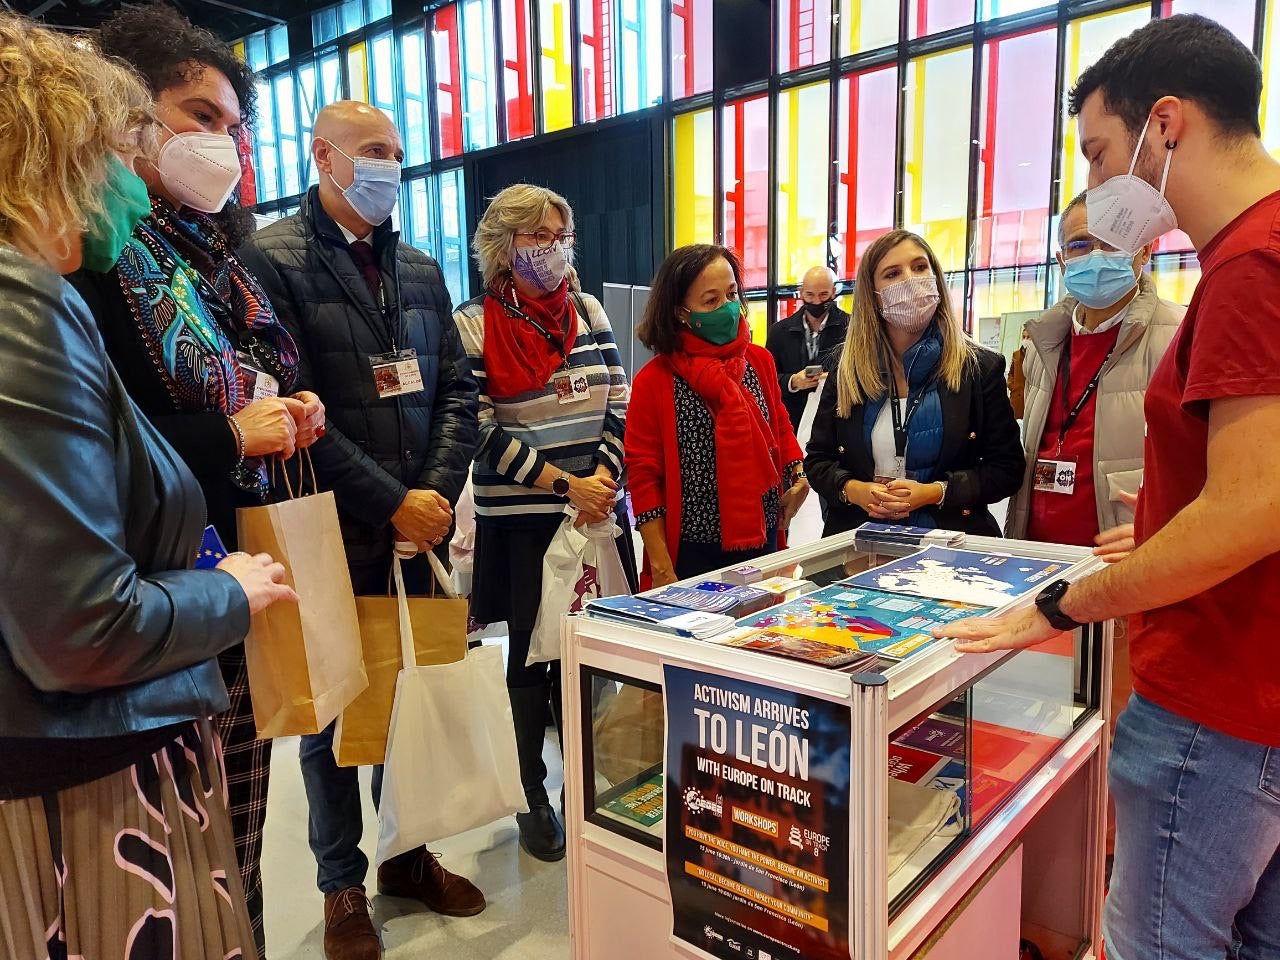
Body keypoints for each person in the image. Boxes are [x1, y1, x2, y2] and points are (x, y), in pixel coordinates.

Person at [940, 15, 1280, 960]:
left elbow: (1251, 508)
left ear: (1166, 125)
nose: (1093, 182)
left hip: (1216, 700)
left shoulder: (1252, 264)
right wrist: (1174, 529)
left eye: (1098, 151)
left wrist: (1064, 603)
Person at [0, 16, 296, 959]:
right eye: (112, 153)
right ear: (55, 152)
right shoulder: (29, 303)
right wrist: (231, 594)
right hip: (89, 775)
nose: (126, 179)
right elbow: (81, 626)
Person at [67, 9, 324, 955]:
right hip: (157, 598)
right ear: (127, 116)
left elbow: (245, 378)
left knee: (237, 838)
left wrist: (285, 408)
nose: (218, 142)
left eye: (230, 123)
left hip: (236, 576)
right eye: (195, 115)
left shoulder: (215, 258)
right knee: (179, 859)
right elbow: (101, 443)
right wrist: (230, 433)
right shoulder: (92, 260)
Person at [238, 101, 481, 960]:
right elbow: (291, 406)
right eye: (374, 151)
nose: (390, 167)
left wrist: (436, 493)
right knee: (335, 707)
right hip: (330, 524)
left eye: (399, 153)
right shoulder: (268, 259)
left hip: (420, 521)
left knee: (408, 691)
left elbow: (458, 388)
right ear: (324, 157)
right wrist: (391, 501)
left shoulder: (418, 267)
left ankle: (409, 855)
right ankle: (342, 885)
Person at [453, 183, 629, 863]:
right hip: (526, 521)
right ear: (505, 244)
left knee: (590, 655)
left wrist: (603, 480)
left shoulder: (586, 310)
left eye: (563, 235)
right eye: (539, 237)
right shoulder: (473, 322)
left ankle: (584, 789)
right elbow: (480, 427)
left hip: (595, 520)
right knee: (529, 663)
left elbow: (618, 395)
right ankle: (533, 795)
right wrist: (567, 485)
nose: (555, 249)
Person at [805, 230, 1024, 536]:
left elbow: (1007, 469)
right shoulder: (847, 370)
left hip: (951, 547)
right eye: (892, 273)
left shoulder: (979, 367)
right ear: (873, 295)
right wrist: (855, 490)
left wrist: (936, 492)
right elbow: (818, 461)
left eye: (920, 267)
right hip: (860, 544)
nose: (909, 279)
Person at [1006, 190, 1182, 549]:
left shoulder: (1180, 335)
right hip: (1037, 557)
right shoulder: (1044, 342)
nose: (1096, 256)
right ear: (1061, 260)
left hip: (1125, 562)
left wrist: (1165, 536)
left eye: (1112, 243)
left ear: (1144, 250)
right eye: (1080, 245)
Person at [627, 244, 808, 589]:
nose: (727, 308)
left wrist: (798, 475)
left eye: (731, 294)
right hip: (692, 552)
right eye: (710, 301)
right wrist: (662, 567)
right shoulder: (655, 381)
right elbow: (644, 476)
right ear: (680, 312)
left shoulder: (759, 361)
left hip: (763, 536)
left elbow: (780, 428)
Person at [766, 265, 849, 433]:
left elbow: (863, 373)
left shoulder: (851, 328)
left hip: (837, 423)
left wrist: (832, 379)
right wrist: (793, 381)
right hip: (793, 424)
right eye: (810, 295)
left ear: (833, 292)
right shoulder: (779, 332)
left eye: (823, 294)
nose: (817, 302)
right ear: (801, 292)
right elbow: (767, 379)